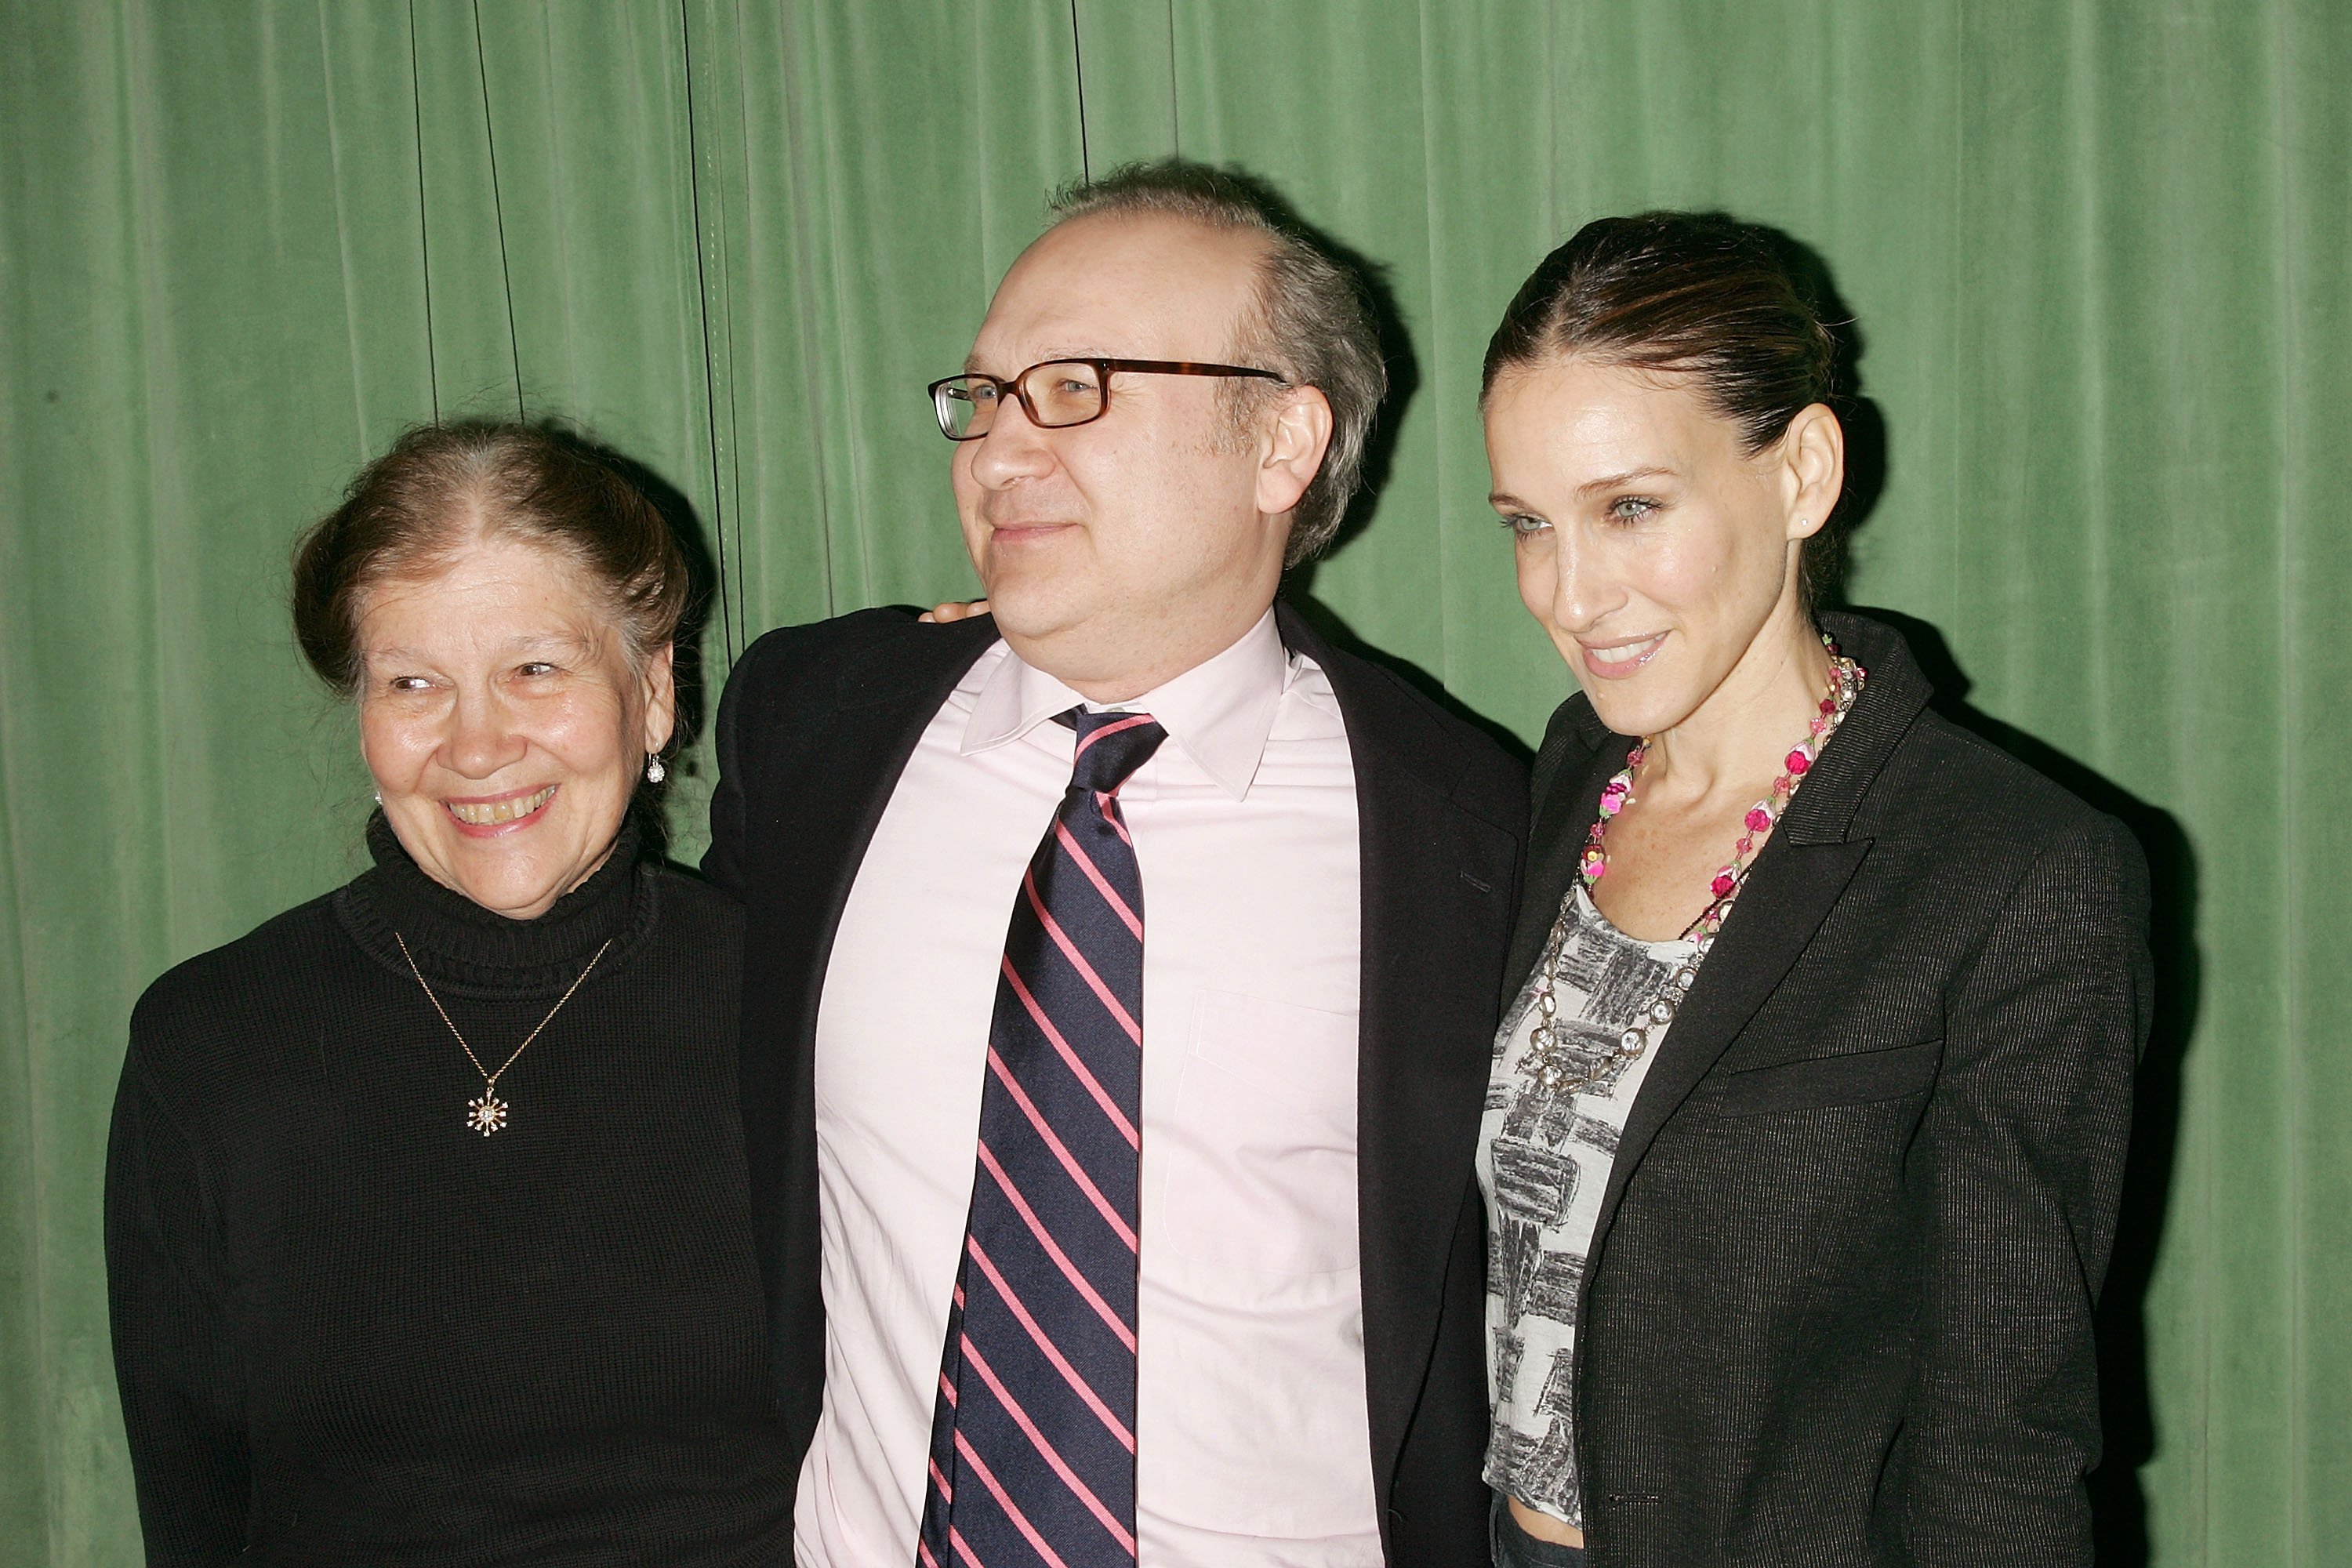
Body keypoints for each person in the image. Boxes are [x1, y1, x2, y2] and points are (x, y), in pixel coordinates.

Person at [705, 161, 1526, 1566]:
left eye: (1076, 388)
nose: (999, 452)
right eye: (983, 398)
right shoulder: (815, 719)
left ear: (1284, 444)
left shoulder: (1481, 834)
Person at [1473, 212, 2151, 1567]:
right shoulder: (1566, 776)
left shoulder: (2013, 873)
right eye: (1528, 526)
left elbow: (2001, 1441)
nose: (1572, 592)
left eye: (1630, 508)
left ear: (1802, 474)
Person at [106, 422, 794, 1566]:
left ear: (655, 692)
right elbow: (195, 1511)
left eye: (536, 669)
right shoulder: (211, 1046)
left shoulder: (795, 1001)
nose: (476, 746)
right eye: (415, 682)